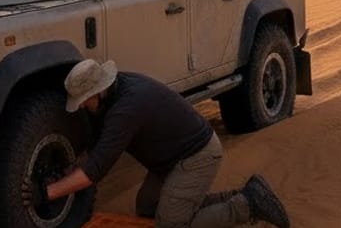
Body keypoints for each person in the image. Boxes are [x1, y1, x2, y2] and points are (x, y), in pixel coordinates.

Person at [34, 59, 290, 228]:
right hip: (169, 161)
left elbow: (95, 169)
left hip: (197, 156)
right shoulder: (113, 95)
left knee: (170, 225)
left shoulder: (126, 109)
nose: (80, 106)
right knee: (147, 209)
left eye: (82, 100)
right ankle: (243, 194)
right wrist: (65, 175)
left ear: (97, 92)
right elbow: (94, 151)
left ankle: (248, 206)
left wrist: (48, 193)